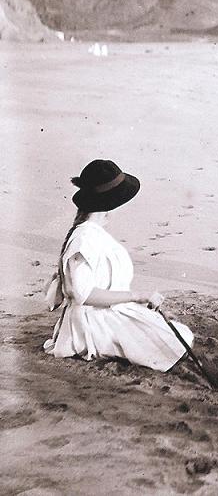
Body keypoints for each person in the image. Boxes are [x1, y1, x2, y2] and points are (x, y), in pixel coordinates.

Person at [43, 159, 193, 371]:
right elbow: (82, 295)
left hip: (105, 313)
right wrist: (137, 296)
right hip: (90, 324)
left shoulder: (92, 232)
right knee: (171, 344)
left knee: (178, 336)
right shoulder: (83, 239)